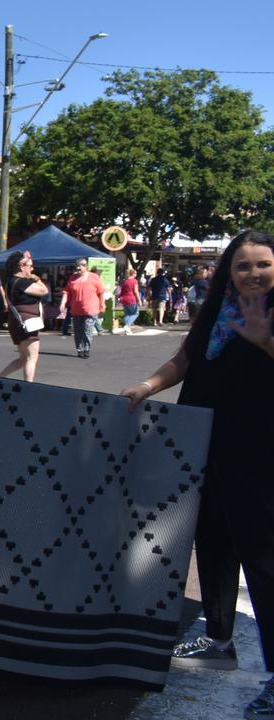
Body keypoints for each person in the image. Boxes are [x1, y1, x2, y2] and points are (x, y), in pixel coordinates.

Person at [119, 230, 274, 720]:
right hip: (205, 444)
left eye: (264, 264)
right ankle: (220, 638)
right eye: (244, 265)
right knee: (213, 543)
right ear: (229, 270)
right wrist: (146, 386)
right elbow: (186, 359)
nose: (254, 274)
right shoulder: (216, 309)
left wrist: (266, 343)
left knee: (265, 562)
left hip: (261, 456)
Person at [0, 251, 49, 382]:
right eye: (30, 266)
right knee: (32, 357)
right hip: (26, 321)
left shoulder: (10, 281)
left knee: (23, 358)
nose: (32, 269)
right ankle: (28, 386)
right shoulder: (21, 282)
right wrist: (37, 279)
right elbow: (44, 290)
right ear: (21, 266)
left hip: (17, 321)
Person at [61, 258, 105, 358]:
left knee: (87, 329)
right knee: (77, 331)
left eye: (80, 266)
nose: (78, 268)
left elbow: (101, 292)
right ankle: (80, 349)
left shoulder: (94, 277)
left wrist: (102, 304)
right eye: (77, 266)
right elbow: (66, 291)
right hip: (76, 309)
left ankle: (86, 349)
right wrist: (63, 302)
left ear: (86, 266)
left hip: (90, 308)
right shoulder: (73, 278)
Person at [118, 268, 141, 335]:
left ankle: (127, 329)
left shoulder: (125, 281)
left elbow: (122, 291)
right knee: (135, 313)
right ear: (133, 274)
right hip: (132, 298)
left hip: (124, 299)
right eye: (135, 273)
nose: (136, 274)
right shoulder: (134, 281)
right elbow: (136, 291)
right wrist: (139, 300)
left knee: (127, 314)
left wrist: (120, 298)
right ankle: (127, 326)